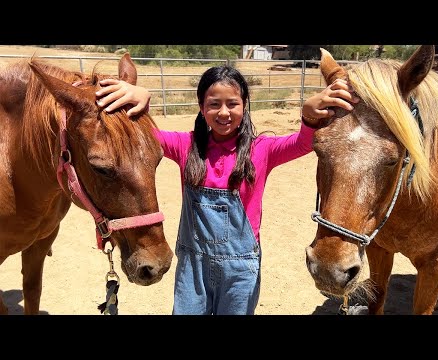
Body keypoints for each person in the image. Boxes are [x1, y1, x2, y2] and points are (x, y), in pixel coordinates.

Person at [95, 65, 359, 315]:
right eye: (214, 104)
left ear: (244, 105)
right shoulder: (184, 145)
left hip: (240, 269)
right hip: (192, 267)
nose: (224, 112)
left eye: (232, 103)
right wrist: (142, 98)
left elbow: (303, 143)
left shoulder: (262, 149)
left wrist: (309, 115)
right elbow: (139, 137)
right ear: (201, 107)